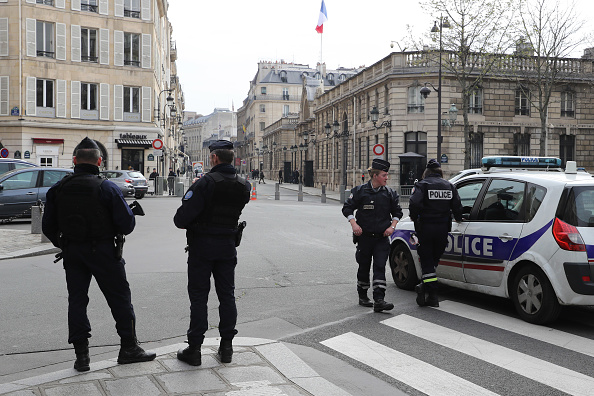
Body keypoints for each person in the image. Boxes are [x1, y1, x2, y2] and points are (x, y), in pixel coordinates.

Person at [42, 137, 155, 372]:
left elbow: (48, 227)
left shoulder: (58, 188)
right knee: (120, 299)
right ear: (99, 161)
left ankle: (81, 357)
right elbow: (126, 225)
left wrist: (64, 244)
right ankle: (128, 348)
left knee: (77, 301)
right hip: (103, 251)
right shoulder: (106, 187)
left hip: (73, 252)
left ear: (74, 160)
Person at [173, 140, 251, 366]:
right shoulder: (243, 185)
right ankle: (226, 347)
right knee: (227, 295)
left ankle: (195, 349)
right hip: (227, 246)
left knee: (199, 297)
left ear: (214, 158)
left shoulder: (205, 183)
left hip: (202, 247)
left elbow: (181, 219)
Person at [342, 159, 403, 312]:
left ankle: (379, 300)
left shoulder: (389, 193)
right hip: (365, 238)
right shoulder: (360, 191)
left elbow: (397, 213)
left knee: (380, 267)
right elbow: (347, 208)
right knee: (364, 267)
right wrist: (354, 224)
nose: (386, 178)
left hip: (382, 238)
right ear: (375, 176)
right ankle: (363, 295)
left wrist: (392, 227)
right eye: (384, 175)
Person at [409, 159, 463, 307]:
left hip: (425, 228)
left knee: (427, 261)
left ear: (427, 172)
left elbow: (414, 203)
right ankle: (425, 286)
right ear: (440, 172)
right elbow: (458, 206)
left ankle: (432, 295)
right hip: (442, 229)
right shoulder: (449, 186)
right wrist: (458, 218)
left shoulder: (421, 185)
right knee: (433, 260)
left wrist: (414, 216)